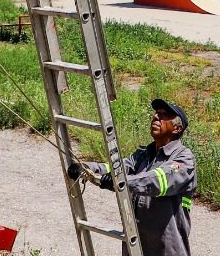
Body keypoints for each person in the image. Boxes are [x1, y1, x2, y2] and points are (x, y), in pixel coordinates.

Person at [69, 98, 196, 256]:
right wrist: (87, 168)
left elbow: (157, 180)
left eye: (164, 115)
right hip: (136, 247)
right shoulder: (142, 155)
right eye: (156, 113)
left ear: (177, 128)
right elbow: (116, 168)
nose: (156, 117)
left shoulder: (184, 159)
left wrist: (120, 181)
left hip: (167, 250)